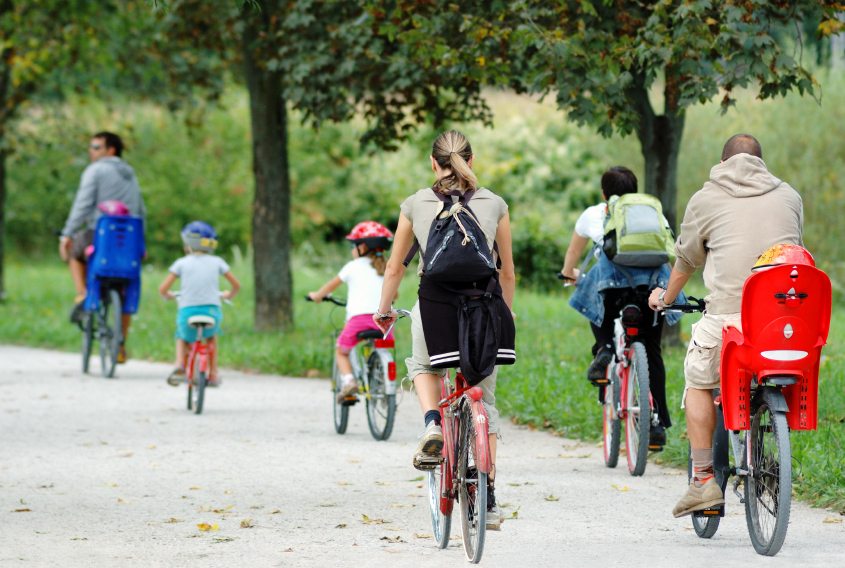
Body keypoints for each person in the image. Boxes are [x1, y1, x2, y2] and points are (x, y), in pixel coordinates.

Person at [648, 134, 803, 517]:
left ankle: (703, 480)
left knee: (698, 381)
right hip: (786, 323)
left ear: (722, 163)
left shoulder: (705, 199)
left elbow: (686, 260)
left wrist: (666, 299)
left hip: (729, 322)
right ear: (761, 163)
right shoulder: (790, 197)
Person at [372, 130, 516, 529]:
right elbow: (506, 271)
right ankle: (487, 500)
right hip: (484, 307)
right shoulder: (495, 203)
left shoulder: (416, 203)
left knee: (423, 366)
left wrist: (383, 310)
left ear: (433, 163)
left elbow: (395, 267)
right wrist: (507, 313)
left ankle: (433, 423)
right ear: (473, 159)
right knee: (483, 401)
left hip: (434, 305)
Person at [562, 166, 681, 447]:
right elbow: (672, 251)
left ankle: (603, 347)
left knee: (594, 296)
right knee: (652, 351)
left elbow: (573, 253)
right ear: (635, 189)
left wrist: (569, 273)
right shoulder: (653, 213)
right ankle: (657, 422)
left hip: (614, 289)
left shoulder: (595, 213)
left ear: (604, 193)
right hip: (653, 289)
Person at [59, 131, 147, 363]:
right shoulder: (130, 173)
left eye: (96, 147)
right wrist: (141, 241)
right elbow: (141, 209)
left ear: (111, 150)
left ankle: (81, 294)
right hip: (130, 239)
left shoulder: (95, 170)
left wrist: (67, 233)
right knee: (127, 286)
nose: (91, 151)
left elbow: (83, 204)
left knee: (75, 252)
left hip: (101, 235)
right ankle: (120, 344)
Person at [308, 221, 395, 402]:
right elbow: (393, 295)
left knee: (341, 351)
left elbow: (328, 287)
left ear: (362, 247)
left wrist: (317, 296)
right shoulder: (388, 268)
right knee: (380, 344)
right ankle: (380, 381)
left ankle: (349, 382)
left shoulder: (352, 267)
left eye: (353, 246)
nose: (352, 250)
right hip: (385, 322)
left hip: (359, 321)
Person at [159, 221, 240, 387]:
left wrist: (168, 295)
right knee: (211, 337)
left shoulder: (181, 263)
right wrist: (228, 295)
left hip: (187, 312)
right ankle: (214, 373)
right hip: (212, 312)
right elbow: (236, 285)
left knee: (181, 336)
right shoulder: (218, 262)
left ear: (188, 243)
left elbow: (163, 289)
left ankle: (180, 365)